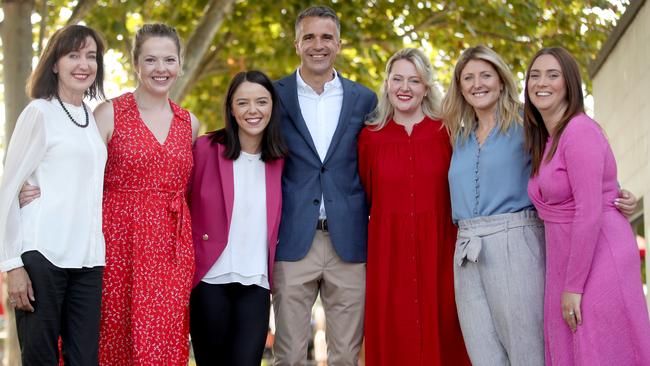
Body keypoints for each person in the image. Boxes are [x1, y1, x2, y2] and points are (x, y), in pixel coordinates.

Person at [442, 45, 639, 366]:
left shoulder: (527, 124)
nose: (478, 83)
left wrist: (615, 193)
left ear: (502, 81)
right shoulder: (456, 136)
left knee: (527, 349)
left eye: (486, 75)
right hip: (466, 249)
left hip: (515, 239)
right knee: (482, 352)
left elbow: (575, 165)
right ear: (460, 87)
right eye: (468, 78)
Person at [524, 47, 650, 365]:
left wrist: (573, 286)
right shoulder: (547, 140)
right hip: (566, 259)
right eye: (534, 75)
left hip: (598, 258)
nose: (542, 82)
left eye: (553, 75)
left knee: (600, 348)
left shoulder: (579, 131)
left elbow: (590, 211)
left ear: (569, 83)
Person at [271, 5, 377, 365]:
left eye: (327, 37)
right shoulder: (273, 95)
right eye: (310, 37)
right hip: (293, 239)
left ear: (339, 44)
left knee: (346, 354)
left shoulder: (365, 99)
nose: (319, 45)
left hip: (348, 241)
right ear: (297, 43)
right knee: (288, 353)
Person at [0, 25, 107, 364]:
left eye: (91, 56)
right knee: (40, 358)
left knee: (84, 359)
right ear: (55, 63)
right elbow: (7, 189)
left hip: (89, 260)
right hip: (43, 255)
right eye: (73, 55)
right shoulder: (39, 112)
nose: (83, 64)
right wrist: (12, 266)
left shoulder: (90, 118)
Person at [94, 24, 199, 365]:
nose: (161, 69)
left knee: (164, 343)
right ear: (135, 64)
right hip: (116, 246)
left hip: (171, 251)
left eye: (169, 59)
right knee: (111, 339)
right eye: (150, 60)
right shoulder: (109, 113)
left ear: (180, 64)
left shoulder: (190, 123)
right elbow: (81, 177)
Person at [358, 48, 470, 365]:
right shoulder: (369, 139)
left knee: (447, 334)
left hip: (441, 252)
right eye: (398, 79)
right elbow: (366, 197)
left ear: (425, 87)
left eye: (414, 80)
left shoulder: (447, 132)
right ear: (387, 84)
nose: (405, 88)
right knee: (395, 336)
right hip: (388, 256)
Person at [188, 70, 286, 365]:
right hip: (209, 281)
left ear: (272, 106)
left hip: (256, 284)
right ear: (231, 108)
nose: (252, 110)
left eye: (261, 102)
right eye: (243, 103)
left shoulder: (281, 160)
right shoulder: (205, 149)